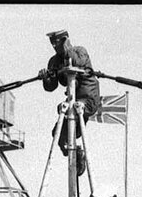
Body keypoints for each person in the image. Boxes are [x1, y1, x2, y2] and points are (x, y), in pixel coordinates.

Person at [40, 29, 100, 165]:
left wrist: (66, 48)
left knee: (73, 119)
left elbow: (76, 62)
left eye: (57, 42)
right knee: (59, 134)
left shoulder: (80, 51)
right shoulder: (54, 61)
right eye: (52, 43)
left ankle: (79, 155)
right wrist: (46, 78)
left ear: (65, 40)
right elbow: (51, 87)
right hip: (73, 99)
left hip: (88, 99)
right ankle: (77, 155)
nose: (54, 46)